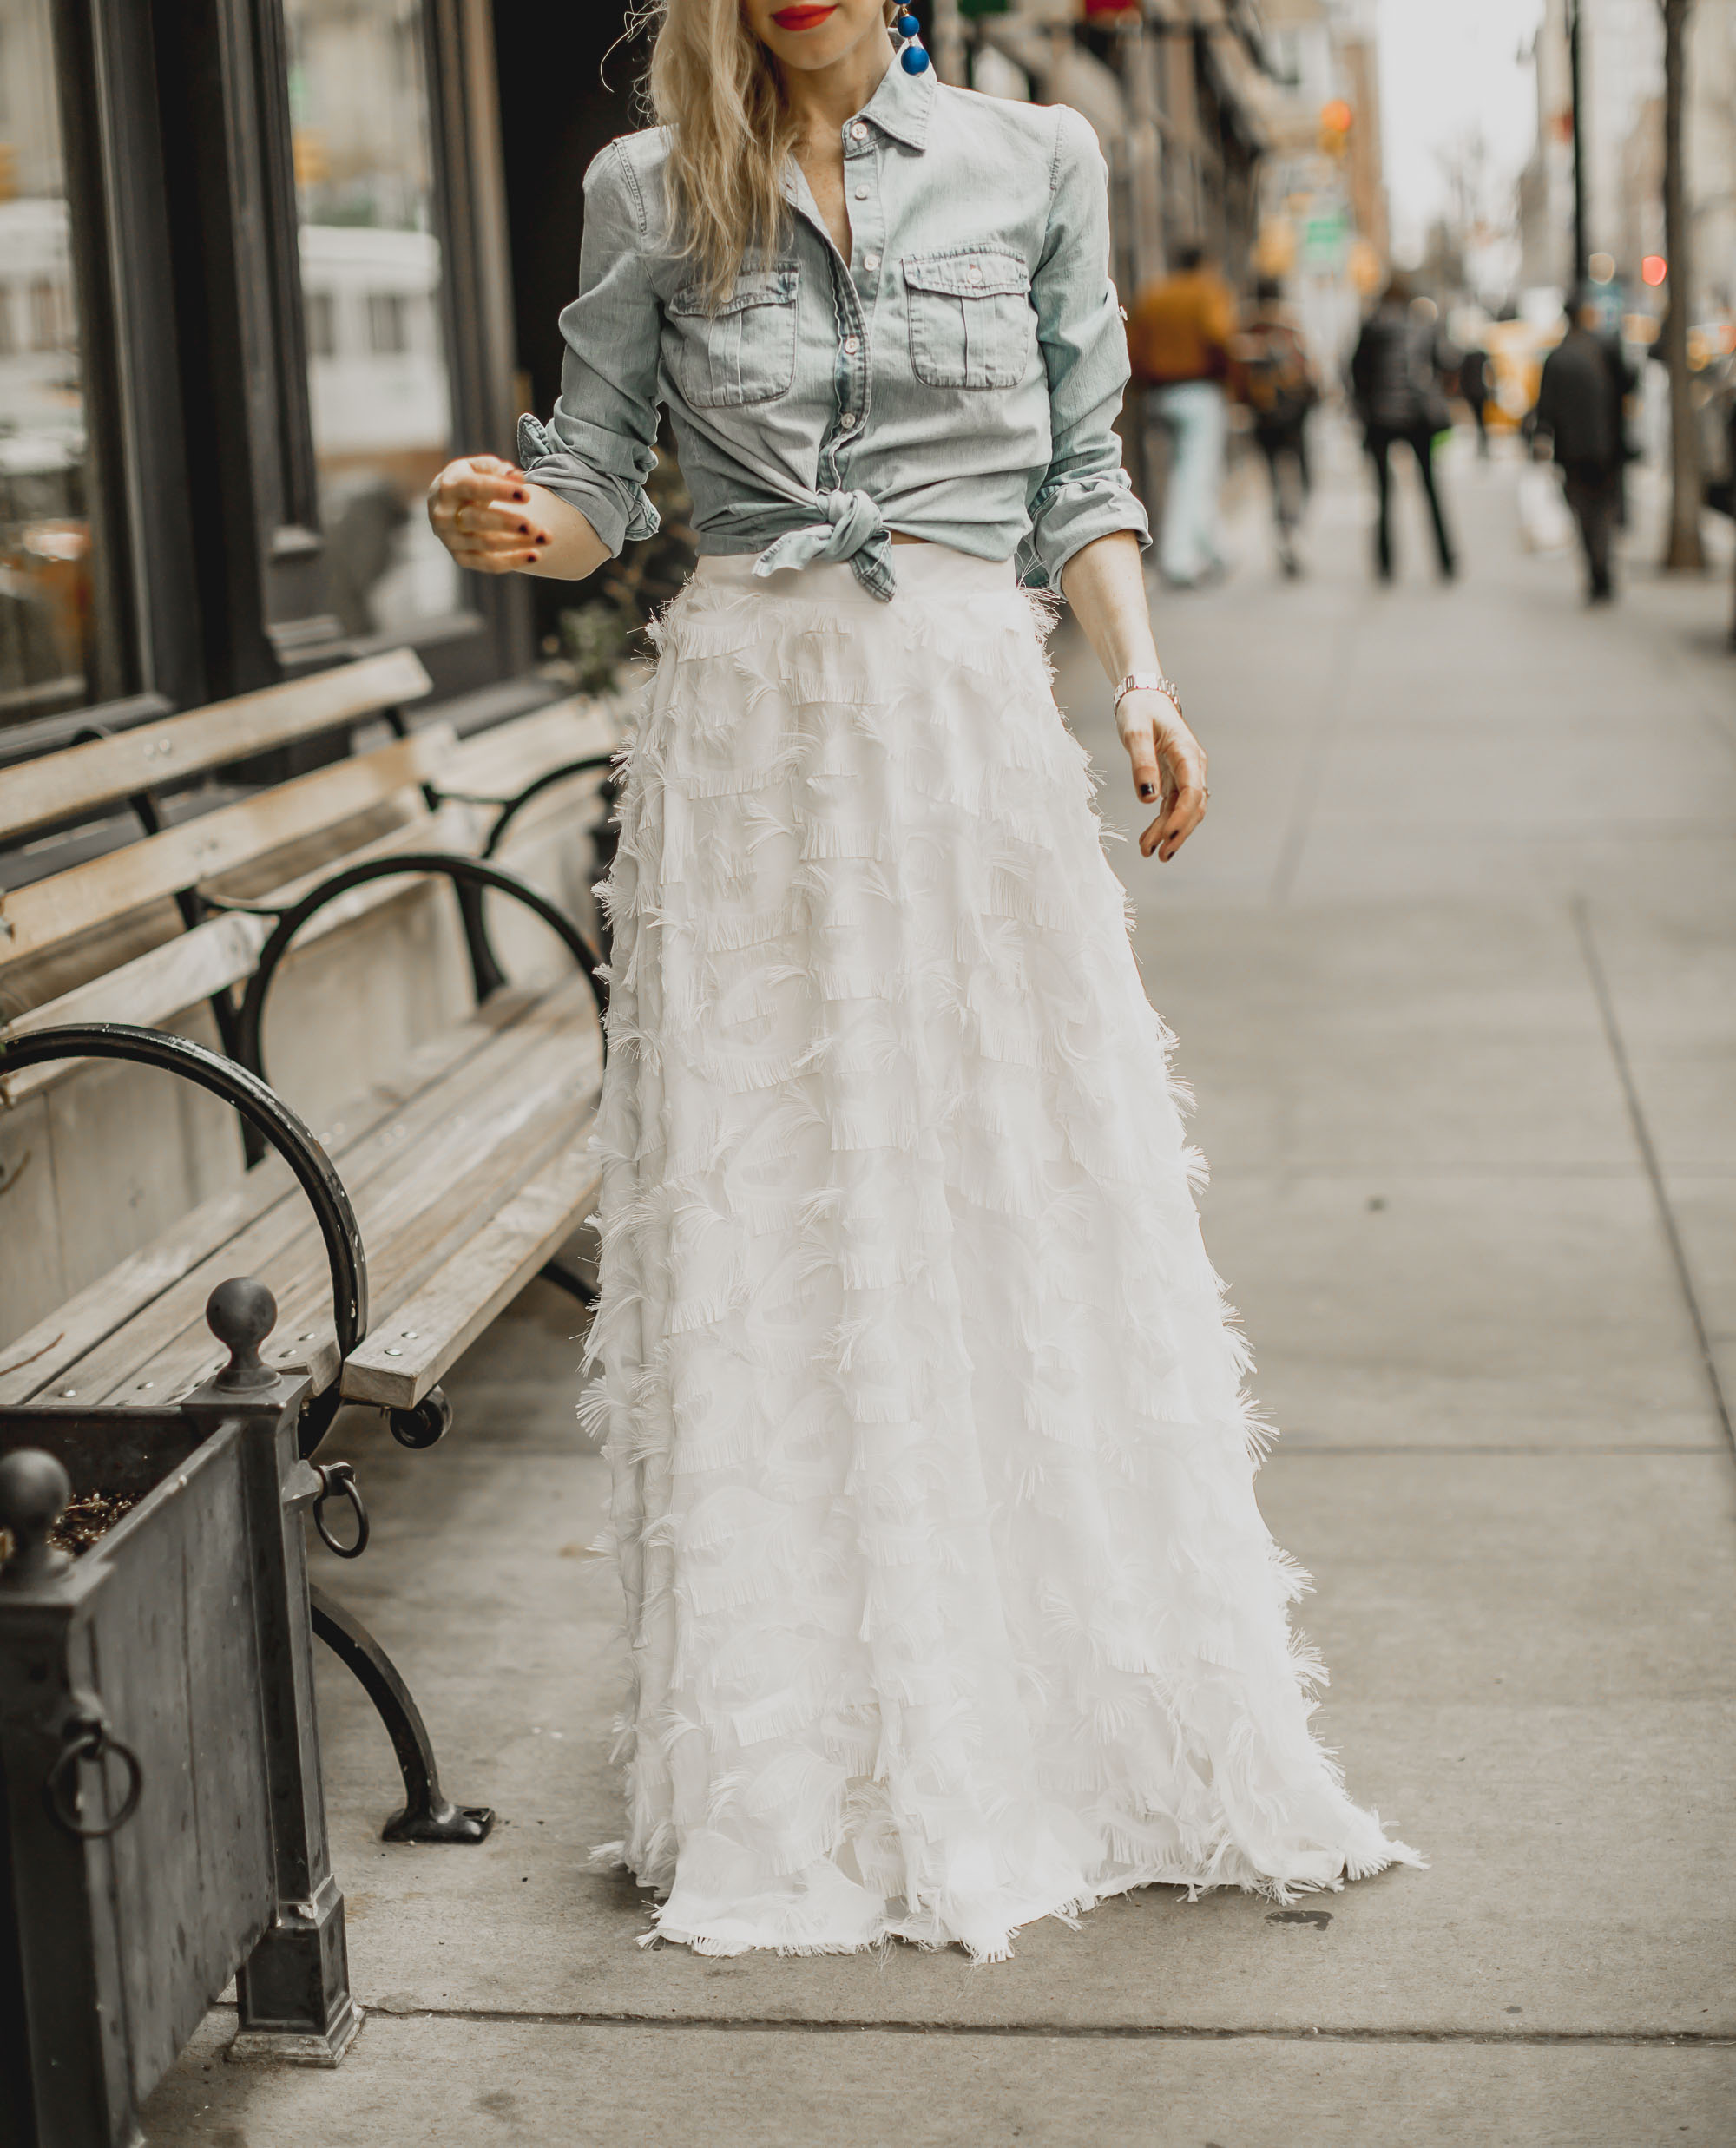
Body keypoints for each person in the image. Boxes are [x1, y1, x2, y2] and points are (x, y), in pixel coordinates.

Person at [425, 0, 1418, 1961]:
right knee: (780, 1224)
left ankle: (1042, 1715)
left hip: (957, 733)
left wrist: (1136, 680)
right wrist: (504, 519)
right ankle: (798, 1763)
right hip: (744, 750)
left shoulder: (1039, 158)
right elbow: (600, 490)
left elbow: (1077, 472)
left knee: (1007, 1197)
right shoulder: (645, 182)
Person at [1127, 244, 1236, 587]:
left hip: (1158, 395)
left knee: (1185, 472)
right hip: (1199, 392)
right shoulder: (1207, 292)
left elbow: (1133, 346)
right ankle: (1179, 559)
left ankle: (1210, 548)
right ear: (1203, 264)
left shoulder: (1154, 295)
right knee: (1194, 475)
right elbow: (1218, 335)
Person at [1349, 273, 1457, 583]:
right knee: (1431, 490)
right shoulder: (1422, 325)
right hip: (1418, 418)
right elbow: (1442, 366)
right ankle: (1446, 560)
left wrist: (1365, 411)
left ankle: (1384, 564)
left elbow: (1357, 374)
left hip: (1382, 420)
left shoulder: (1371, 328)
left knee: (1383, 494)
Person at [1531, 295, 1636, 604]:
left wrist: (1540, 441)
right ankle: (1603, 568)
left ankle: (1596, 568)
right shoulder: (1604, 349)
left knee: (1583, 509)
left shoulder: (1558, 356)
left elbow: (1545, 409)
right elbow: (1630, 383)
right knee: (1603, 508)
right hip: (1606, 447)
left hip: (1573, 449)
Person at [1229, 276, 1318, 577]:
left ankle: (1283, 529)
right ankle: (1293, 528)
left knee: (1273, 478)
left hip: (1262, 415)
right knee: (1303, 475)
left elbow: (1237, 374)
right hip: (1293, 414)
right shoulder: (1289, 325)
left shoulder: (1247, 326)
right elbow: (1308, 368)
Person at [1457, 342, 1492, 459]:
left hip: (1475, 393)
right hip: (1479, 392)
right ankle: (1483, 441)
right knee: (1481, 419)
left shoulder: (1471, 357)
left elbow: (1463, 377)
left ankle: (1483, 441)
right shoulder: (1481, 356)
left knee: (1480, 420)